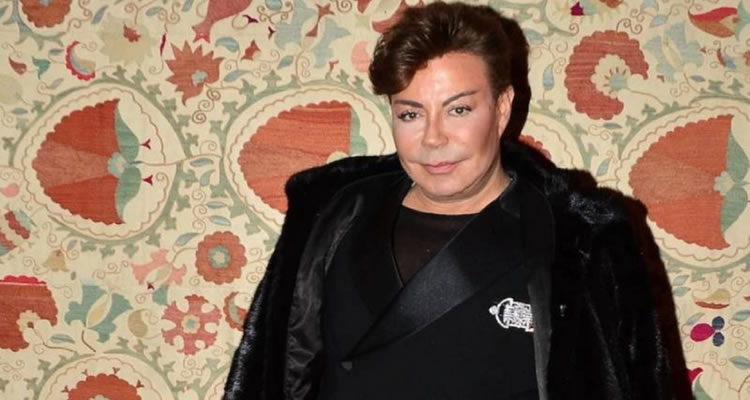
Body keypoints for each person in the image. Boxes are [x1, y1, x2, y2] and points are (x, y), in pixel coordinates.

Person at [223, 2, 673, 399]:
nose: (433, 138)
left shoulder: (578, 240)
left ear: (501, 108)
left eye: (458, 109)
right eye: (411, 114)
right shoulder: (330, 216)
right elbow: (270, 375)